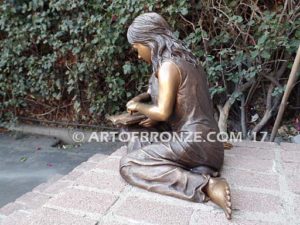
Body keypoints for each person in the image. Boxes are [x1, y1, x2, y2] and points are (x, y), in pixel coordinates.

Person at [120, 12, 232, 220]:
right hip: (207, 142)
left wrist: (137, 106)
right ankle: (197, 169)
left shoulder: (168, 66)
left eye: (137, 48)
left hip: (193, 142)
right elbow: (172, 97)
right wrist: (143, 100)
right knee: (137, 137)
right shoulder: (186, 60)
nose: (137, 55)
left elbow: (162, 111)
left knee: (128, 165)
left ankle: (205, 185)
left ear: (149, 41)